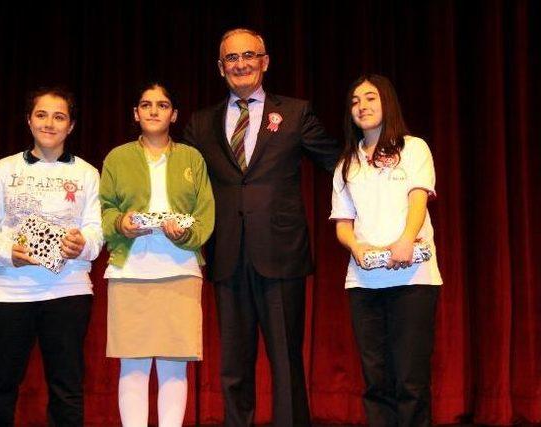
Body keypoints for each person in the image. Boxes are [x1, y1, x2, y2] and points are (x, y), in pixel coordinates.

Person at [183, 28, 340, 427]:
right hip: (227, 254)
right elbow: (180, 184)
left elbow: (336, 162)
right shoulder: (200, 124)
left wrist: (385, 156)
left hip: (280, 253)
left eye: (249, 55)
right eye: (232, 59)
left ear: (265, 61)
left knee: (286, 360)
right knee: (234, 364)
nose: (241, 64)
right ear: (221, 68)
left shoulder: (295, 112)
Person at [0, 87, 103, 426]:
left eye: (59, 117)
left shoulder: (86, 173)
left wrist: (82, 245)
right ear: (29, 120)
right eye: (41, 115)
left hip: (68, 292)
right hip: (8, 292)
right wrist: (6, 253)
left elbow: (95, 230)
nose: (49, 123)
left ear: (70, 126)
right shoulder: (4, 169)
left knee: (67, 390)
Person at [329, 74, 442, 426]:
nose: (361, 106)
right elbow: (343, 223)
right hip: (364, 283)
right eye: (354, 101)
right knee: (376, 380)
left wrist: (407, 238)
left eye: (370, 98)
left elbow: (418, 197)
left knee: (411, 378)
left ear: (387, 102)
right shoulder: (347, 163)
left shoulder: (414, 147)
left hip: (414, 279)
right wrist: (356, 246)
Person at [99, 82, 214, 427]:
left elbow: (206, 213)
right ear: (135, 113)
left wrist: (188, 233)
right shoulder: (117, 158)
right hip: (129, 270)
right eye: (146, 105)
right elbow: (103, 210)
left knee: (174, 365)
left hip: (180, 269)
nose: (153, 110)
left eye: (162, 105)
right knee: (132, 365)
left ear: (174, 115)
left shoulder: (192, 158)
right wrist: (121, 222)